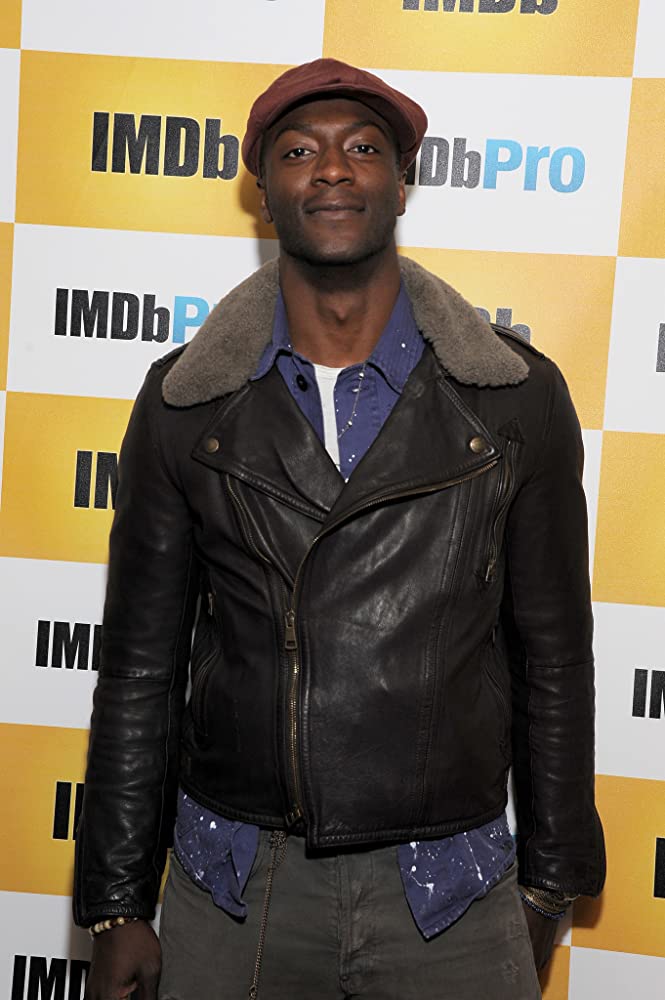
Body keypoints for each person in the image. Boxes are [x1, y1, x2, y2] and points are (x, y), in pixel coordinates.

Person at [74, 58, 605, 1000]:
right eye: (297, 151)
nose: (330, 168)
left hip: (449, 886)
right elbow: (140, 667)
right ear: (262, 190)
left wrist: (550, 881)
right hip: (236, 880)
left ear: (401, 183)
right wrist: (116, 903)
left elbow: (554, 656)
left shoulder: (515, 398)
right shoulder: (184, 403)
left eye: (361, 148)